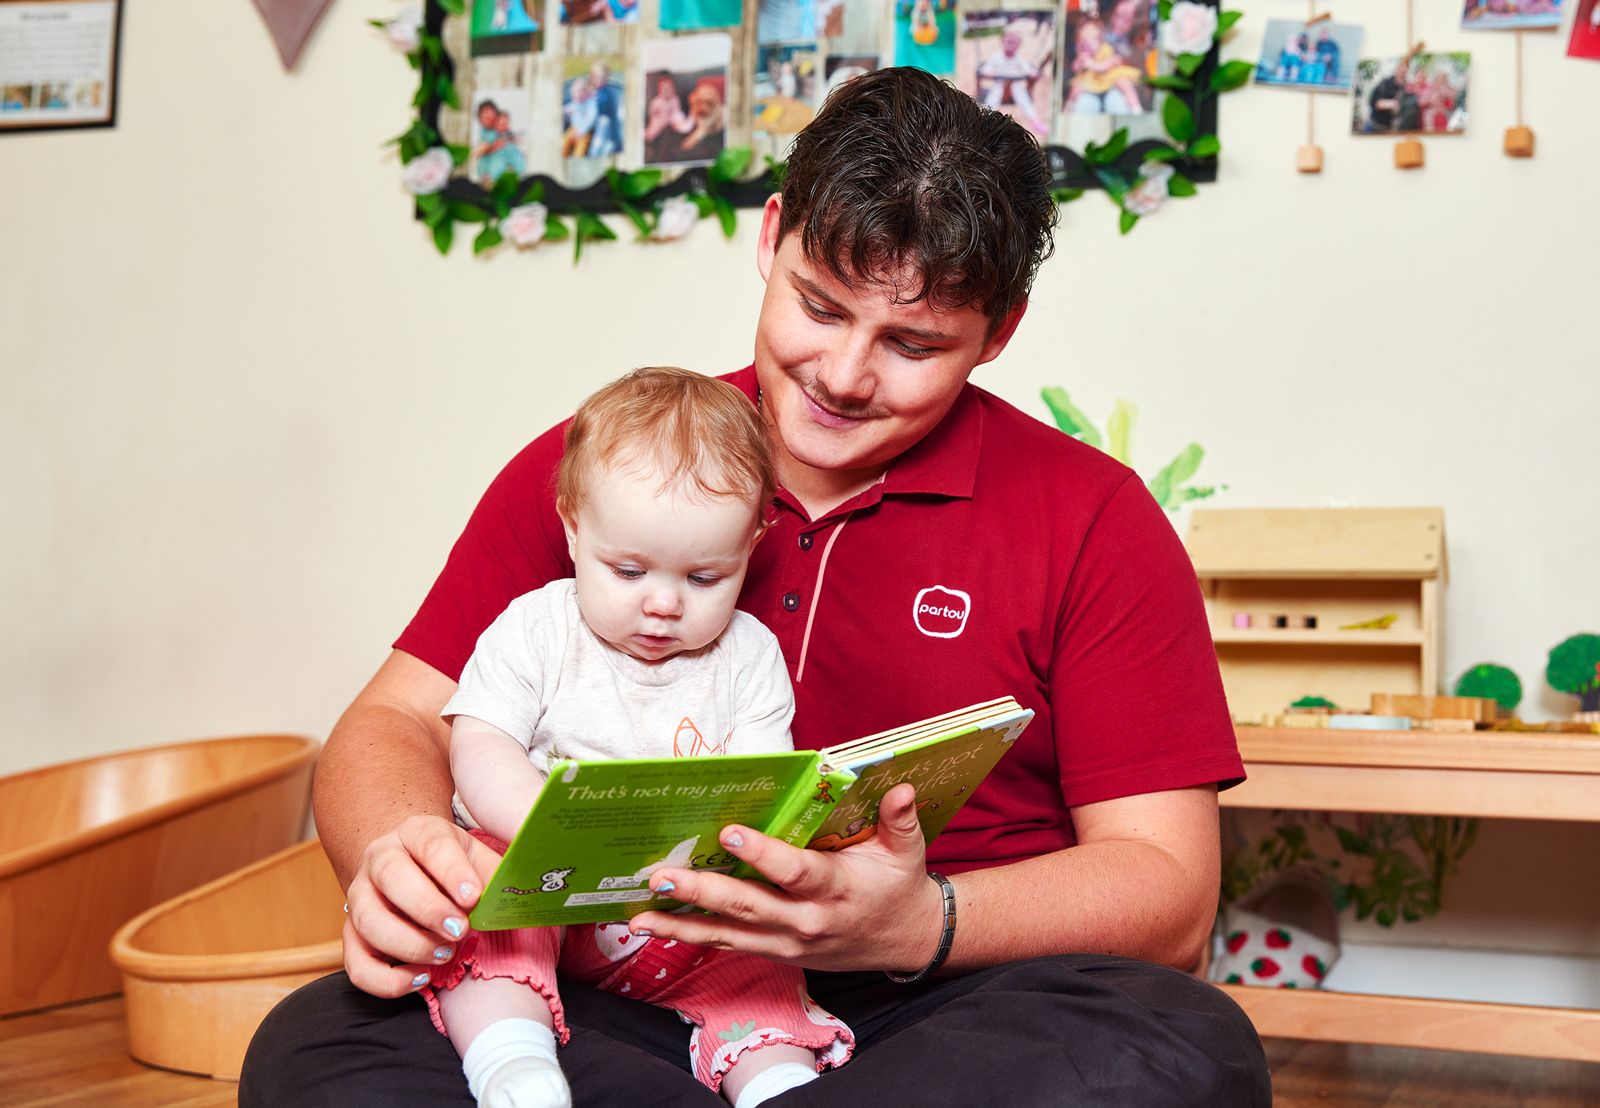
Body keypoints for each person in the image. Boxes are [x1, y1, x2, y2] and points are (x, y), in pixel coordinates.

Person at [241, 66, 1270, 1107]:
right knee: (317, 1049)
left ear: (999, 331)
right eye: (818, 306)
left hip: (949, 996)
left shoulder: (1093, 517)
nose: (843, 376)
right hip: (616, 985)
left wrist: (921, 922)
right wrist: (400, 856)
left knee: (1181, 1051)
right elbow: (394, 721)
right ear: (772, 236)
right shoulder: (608, 471)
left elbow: (1170, 894)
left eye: (912, 343)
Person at [425, 368, 852, 1108]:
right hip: (548, 879)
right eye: (627, 571)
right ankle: (510, 1057)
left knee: (760, 960)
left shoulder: (747, 656)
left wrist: (743, 847)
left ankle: (775, 1078)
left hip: (680, 901)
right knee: (481, 907)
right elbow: (480, 742)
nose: (662, 604)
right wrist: (541, 823)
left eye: (704, 578)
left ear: (751, 545)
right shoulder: (538, 628)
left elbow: (759, 781)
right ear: (573, 528)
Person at [974, 21, 1052, 136]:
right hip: (1000, 85)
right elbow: (986, 68)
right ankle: (985, 119)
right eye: (1008, 42)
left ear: (1018, 46)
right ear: (1002, 42)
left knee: (1023, 98)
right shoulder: (997, 57)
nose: (1010, 45)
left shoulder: (1018, 58)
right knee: (993, 96)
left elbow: (1027, 68)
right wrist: (989, 72)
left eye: (1014, 43)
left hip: (1015, 87)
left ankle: (1034, 120)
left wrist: (1032, 73)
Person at [1065, 19, 1145, 116]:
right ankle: (1068, 108)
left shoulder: (1105, 49)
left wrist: (1092, 65)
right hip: (1093, 82)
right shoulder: (1084, 54)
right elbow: (1075, 68)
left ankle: (1136, 107)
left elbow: (1108, 64)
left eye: (1091, 44)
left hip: (1109, 78)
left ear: (1100, 41)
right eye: (1084, 45)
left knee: (1123, 83)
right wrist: (1078, 64)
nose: (1088, 48)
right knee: (1077, 87)